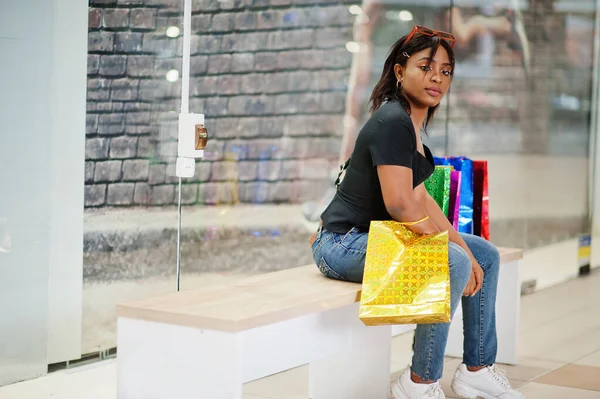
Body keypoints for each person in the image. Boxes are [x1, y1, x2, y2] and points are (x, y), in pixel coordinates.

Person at [308, 25, 524, 399]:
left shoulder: (410, 126)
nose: (436, 78)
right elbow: (400, 204)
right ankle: (420, 381)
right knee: (451, 261)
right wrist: (458, 254)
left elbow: (422, 201)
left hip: (372, 238)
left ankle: (477, 369)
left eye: (444, 71)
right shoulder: (392, 122)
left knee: (484, 255)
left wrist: (469, 251)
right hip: (340, 244)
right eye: (425, 67)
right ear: (399, 70)